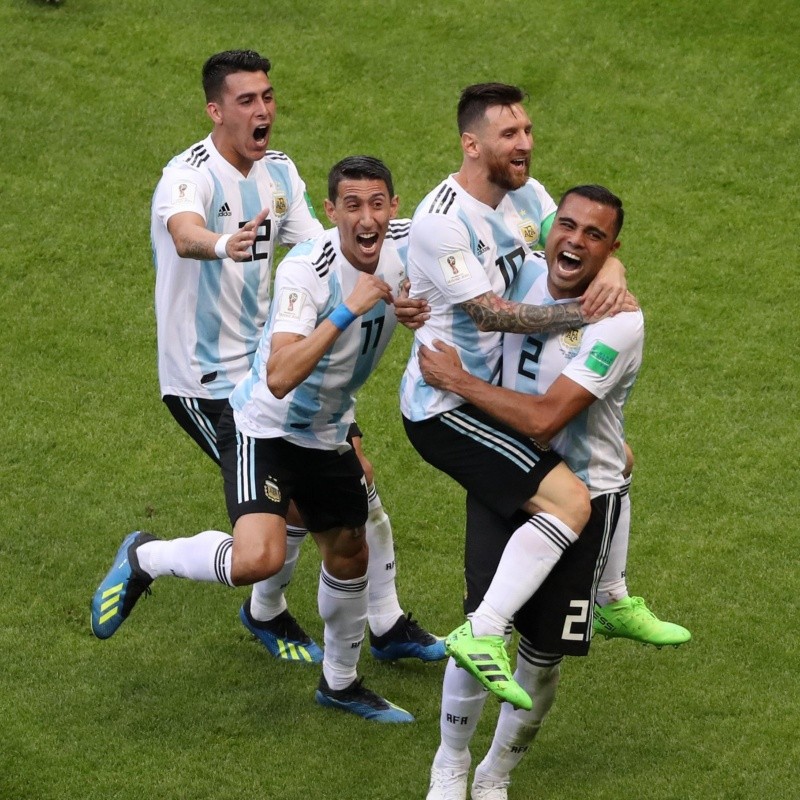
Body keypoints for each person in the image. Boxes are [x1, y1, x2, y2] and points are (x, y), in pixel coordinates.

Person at [93, 156, 437, 720]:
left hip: (327, 432)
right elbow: (278, 376)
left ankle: (341, 684)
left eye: (377, 203)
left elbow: (472, 239)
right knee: (258, 557)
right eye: (352, 205)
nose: (366, 217)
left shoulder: (409, 243)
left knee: (350, 552)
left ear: (394, 209)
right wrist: (350, 310)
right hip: (264, 426)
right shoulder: (308, 269)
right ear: (331, 212)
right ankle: (146, 556)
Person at [149, 49, 443, 665]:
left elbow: (324, 251)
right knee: (289, 512)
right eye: (247, 101)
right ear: (215, 110)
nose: (264, 111)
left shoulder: (279, 173)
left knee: (356, 484)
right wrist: (226, 242)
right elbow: (183, 232)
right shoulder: (190, 175)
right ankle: (188, 574)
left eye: (268, 97)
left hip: (275, 358)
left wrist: (394, 284)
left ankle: (374, 625)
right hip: (205, 380)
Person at [418, 185, 688, 799]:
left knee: (542, 659)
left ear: (612, 248)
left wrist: (459, 382)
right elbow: (440, 250)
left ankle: (494, 776)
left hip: (585, 498)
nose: (576, 241)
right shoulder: (519, 276)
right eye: (567, 226)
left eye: (596, 237)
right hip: (511, 479)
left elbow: (545, 418)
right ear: (547, 229)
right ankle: (449, 764)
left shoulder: (619, 320)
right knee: (477, 633)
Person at [400, 83, 632, 714]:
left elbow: (574, 244)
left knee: (611, 462)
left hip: (490, 395)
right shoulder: (443, 220)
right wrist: (586, 308)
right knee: (570, 499)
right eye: (510, 135)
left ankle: (607, 598)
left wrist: (612, 268)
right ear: (472, 145)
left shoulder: (525, 194)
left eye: (527, 130)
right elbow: (490, 313)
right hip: (445, 405)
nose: (526, 143)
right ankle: (484, 631)